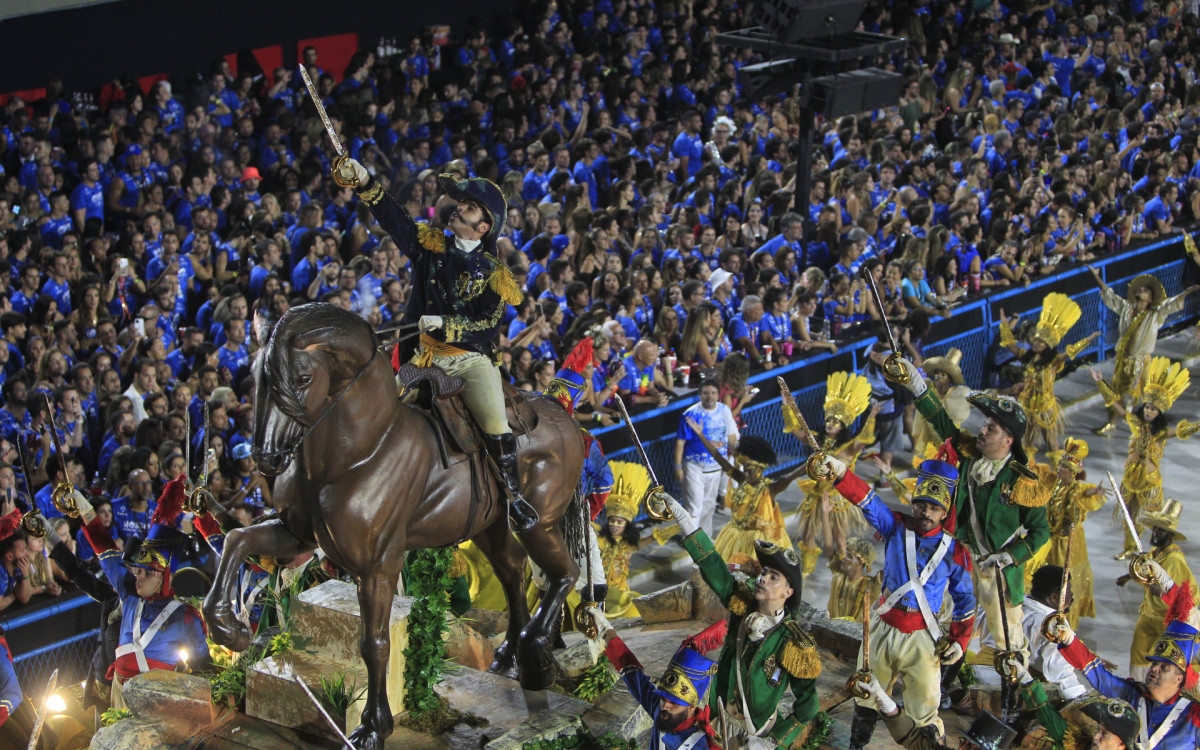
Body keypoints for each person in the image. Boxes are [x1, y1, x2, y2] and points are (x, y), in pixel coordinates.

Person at [336, 158, 536, 531]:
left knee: (495, 422)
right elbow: (395, 220)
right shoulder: (430, 245)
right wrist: (365, 183)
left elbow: (488, 326)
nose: (458, 208)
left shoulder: (495, 274)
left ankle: (514, 497)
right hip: (422, 354)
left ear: (484, 226)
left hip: (468, 360)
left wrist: (447, 323)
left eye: (469, 207)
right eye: (460, 204)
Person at [895, 358, 1050, 689]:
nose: (981, 430)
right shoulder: (967, 455)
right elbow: (940, 420)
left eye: (991, 428)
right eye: (984, 424)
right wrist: (916, 384)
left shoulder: (1023, 481)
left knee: (1008, 636)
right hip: (959, 557)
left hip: (998, 569)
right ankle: (943, 681)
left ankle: (1015, 694)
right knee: (946, 618)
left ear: (1008, 440)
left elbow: (1040, 532)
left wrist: (1009, 557)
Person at [823, 453, 976, 747]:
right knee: (866, 695)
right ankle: (857, 745)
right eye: (921, 505)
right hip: (882, 629)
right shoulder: (895, 527)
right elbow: (866, 501)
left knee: (925, 710)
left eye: (934, 507)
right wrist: (840, 472)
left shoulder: (955, 552)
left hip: (923, 637)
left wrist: (959, 641)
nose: (926, 513)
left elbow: (966, 599)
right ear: (912, 504)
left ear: (944, 513)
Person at [661, 491, 823, 749]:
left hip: (757, 734)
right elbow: (713, 566)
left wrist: (773, 743)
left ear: (787, 592)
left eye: (773, 578)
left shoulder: (794, 644)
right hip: (718, 722)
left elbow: (808, 706)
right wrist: (685, 522)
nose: (763, 579)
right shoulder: (741, 606)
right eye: (764, 573)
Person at [73, 476, 209, 708]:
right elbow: (105, 550)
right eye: (138, 571)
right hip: (118, 694)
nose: (138, 577)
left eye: (147, 573)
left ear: (163, 576)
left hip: (159, 705)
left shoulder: (185, 617)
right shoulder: (129, 594)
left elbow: (205, 669)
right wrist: (84, 508)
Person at [1048, 605, 1200, 750]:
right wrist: (1070, 641)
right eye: (1154, 663)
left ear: (1178, 679)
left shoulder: (1194, 715)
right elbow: (1099, 675)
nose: (1154, 668)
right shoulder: (1131, 694)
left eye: (1163, 668)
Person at [1092, 357, 1198, 558]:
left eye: (1154, 409)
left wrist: (1197, 426)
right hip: (1131, 478)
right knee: (1129, 514)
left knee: (1155, 518)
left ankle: (1162, 549)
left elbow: (1181, 431)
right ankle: (1130, 547)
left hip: (1149, 483)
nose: (1149, 411)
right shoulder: (1135, 423)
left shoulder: (1161, 433)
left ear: (1160, 413)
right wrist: (1100, 382)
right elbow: (1116, 405)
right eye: (1148, 407)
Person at [588, 611, 726, 749]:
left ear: (691, 708)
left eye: (673, 703)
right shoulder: (661, 711)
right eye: (664, 698)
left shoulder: (707, 746)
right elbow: (632, 673)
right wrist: (604, 629)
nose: (665, 706)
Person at [784, 372, 877, 574]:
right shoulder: (817, 440)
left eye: (836, 422)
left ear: (843, 426)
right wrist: (786, 406)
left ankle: (843, 569)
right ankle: (806, 570)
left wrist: (871, 417)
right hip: (816, 494)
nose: (831, 424)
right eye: (829, 420)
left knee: (839, 538)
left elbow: (865, 439)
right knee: (807, 535)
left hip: (837, 498)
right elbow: (796, 431)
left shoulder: (849, 448)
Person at [1087, 269, 1199, 434]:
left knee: (1149, 395)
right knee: (1116, 391)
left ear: (1150, 299)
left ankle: (1155, 424)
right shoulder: (1126, 308)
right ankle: (1112, 421)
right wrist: (1096, 276)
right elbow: (1109, 295)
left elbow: (1171, 305)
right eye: (1141, 289)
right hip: (1124, 359)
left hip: (1141, 362)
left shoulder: (1155, 314)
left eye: (1146, 290)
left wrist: (1186, 293)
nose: (1141, 290)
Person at [970, 565, 1089, 700]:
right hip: (1005, 688)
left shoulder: (1005, 602)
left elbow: (971, 628)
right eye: (1069, 591)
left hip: (974, 675)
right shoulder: (1053, 624)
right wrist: (1082, 699)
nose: (1072, 596)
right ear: (1055, 597)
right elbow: (1060, 675)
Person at [997, 293, 1098, 452]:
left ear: (1047, 346)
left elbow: (1069, 353)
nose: (1036, 343)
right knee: (1028, 443)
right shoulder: (1028, 357)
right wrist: (1004, 325)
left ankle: (1057, 468)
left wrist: (1088, 340)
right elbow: (1011, 345)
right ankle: (1026, 473)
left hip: (1045, 406)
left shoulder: (1053, 362)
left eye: (1041, 342)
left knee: (1051, 443)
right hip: (1029, 405)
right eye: (1036, 340)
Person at [1022, 438, 1106, 628]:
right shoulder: (1054, 481)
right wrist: (1028, 449)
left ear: (1073, 472)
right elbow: (1035, 471)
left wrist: (1095, 491)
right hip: (1051, 539)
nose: (1059, 469)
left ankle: (1066, 621)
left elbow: (1086, 493)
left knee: (1065, 580)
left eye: (1064, 467)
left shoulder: (1076, 488)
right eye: (1060, 465)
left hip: (1069, 543)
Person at [683, 428, 801, 559]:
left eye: (749, 470)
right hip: (735, 537)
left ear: (760, 470)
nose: (745, 474)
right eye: (744, 469)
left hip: (760, 543)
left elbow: (790, 477)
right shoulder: (741, 480)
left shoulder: (770, 489)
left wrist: (811, 462)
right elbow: (718, 457)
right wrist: (700, 434)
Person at [1117, 499, 1196, 682]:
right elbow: (1146, 570)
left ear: (1170, 534)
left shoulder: (1175, 560)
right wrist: (1129, 576)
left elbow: (1177, 594)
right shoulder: (1154, 552)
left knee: (1163, 659)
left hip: (1166, 618)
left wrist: (1155, 589)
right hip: (1148, 614)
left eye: (1160, 530)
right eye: (1155, 528)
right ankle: (1139, 687)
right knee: (1138, 652)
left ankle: (1162, 690)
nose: (1155, 532)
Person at [674, 380, 739, 537]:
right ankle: (692, 541)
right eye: (706, 393)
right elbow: (680, 442)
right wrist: (677, 466)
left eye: (713, 393)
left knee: (709, 505)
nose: (709, 396)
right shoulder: (691, 414)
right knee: (694, 506)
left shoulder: (724, 410)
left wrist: (737, 459)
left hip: (716, 467)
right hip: (694, 466)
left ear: (718, 395)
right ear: (700, 395)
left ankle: (706, 538)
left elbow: (731, 436)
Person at [910, 348, 969, 457]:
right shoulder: (928, 386)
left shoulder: (959, 393)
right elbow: (911, 383)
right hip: (929, 437)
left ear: (950, 379)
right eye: (936, 373)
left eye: (943, 374)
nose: (937, 377)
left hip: (948, 437)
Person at [825, 538, 881, 621]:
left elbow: (890, 570)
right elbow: (828, 544)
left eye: (849, 556)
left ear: (860, 562)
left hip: (850, 632)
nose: (844, 558)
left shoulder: (868, 585)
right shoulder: (839, 576)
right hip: (830, 626)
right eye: (845, 554)